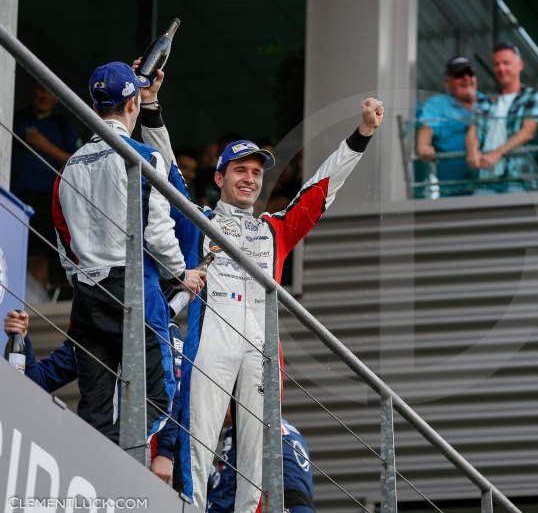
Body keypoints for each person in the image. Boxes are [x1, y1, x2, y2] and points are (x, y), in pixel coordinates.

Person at [177, 98, 384, 513]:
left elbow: (321, 189)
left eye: (256, 173)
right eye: (240, 170)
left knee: (258, 453)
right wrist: (149, 106)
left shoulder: (275, 229)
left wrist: (361, 135)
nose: (250, 179)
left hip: (262, 348)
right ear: (219, 177)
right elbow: (162, 172)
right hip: (211, 338)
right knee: (197, 440)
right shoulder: (196, 219)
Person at [53, 61, 206, 445]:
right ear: (134, 104)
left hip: (87, 291)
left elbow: (63, 241)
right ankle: (121, 463)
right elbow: (156, 230)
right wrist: (181, 274)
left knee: (95, 408)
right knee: (158, 396)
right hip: (133, 287)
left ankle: (95, 472)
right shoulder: (142, 157)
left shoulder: (67, 167)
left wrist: (83, 276)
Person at [3, 310, 184, 484]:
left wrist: (165, 453)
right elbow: (40, 380)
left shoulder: (162, 322)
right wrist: (23, 338)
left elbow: (174, 393)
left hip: (140, 452)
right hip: (93, 449)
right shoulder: (90, 329)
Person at [11, 81, 82, 290]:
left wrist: (45, 146)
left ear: (56, 98)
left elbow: (76, 163)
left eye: (49, 91)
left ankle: (33, 314)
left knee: (38, 255)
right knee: (8, 254)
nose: (43, 95)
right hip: (12, 196)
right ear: (33, 91)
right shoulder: (15, 119)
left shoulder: (62, 126)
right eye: (40, 89)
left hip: (47, 199)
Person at [466, 42, 538, 194]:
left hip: (517, 177)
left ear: (520, 65)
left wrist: (496, 154)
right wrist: (472, 152)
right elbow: (472, 132)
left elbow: (528, 132)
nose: (501, 68)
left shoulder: (532, 96)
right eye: (497, 64)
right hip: (485, 178)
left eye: (506, 63)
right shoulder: (484, 102)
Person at [206, 408, 315, 513]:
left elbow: (226, 485)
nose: (217, 410)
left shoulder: (242, 424)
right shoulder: (290, 429)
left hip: (280, 506)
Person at [416, 57, 485, 197]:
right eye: (459, 74)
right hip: (452, 190)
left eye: (470, 73)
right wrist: (423, 145)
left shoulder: (488, 102)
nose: (466, 78)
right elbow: (427, 126)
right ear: (447, 82)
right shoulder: (436, 104)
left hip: (488, 186)